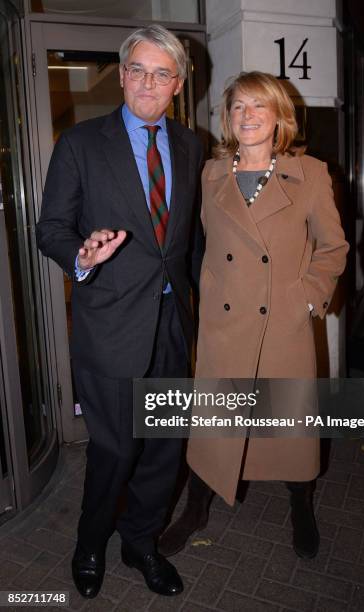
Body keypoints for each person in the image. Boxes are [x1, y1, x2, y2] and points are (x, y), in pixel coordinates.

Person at [36, 25, 204, 599]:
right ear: (122, 74)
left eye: (162, 73)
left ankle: (141, 543)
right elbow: (51, 229)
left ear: (176, 85)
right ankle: (90, 541)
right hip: (109, 327)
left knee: (163, 448)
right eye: (137, 69)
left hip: (172, 326)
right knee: (114, 451)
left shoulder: (191, 145)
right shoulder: (82, 143)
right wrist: (81, 255)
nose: (148, 82)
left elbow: (188, 240)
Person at [159, 71, 349, 560]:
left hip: (282, 323)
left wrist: (308, 296)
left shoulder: (310, 174)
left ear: (279, 116)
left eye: (259, 106)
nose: (247, 116)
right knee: (214, 425)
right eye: (238, 107)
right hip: (226, 325)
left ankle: (301, 503)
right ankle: (197, 508)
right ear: (228, 118)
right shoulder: (211, 173)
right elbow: (203, 243)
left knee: (290, 427)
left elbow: (333, 247)